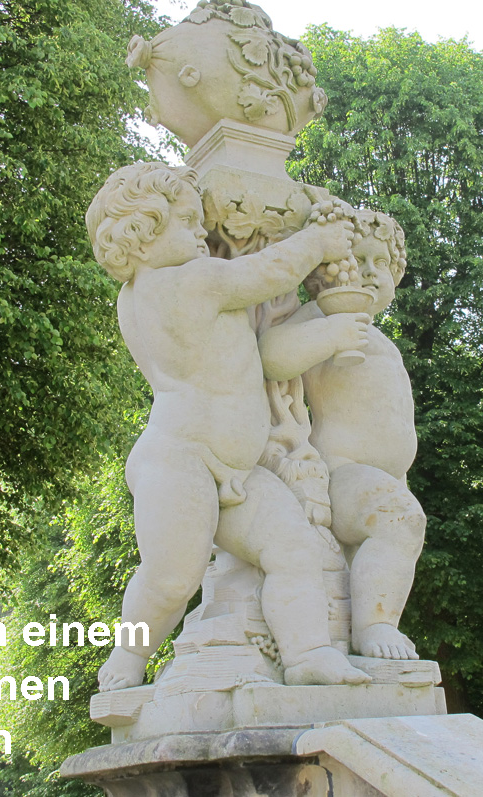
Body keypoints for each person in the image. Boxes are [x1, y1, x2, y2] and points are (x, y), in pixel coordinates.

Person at [86, 162, 371, 690]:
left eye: (202, 222)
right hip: (181, 459)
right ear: (140, 236)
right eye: (187, 222)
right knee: (171, 578)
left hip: (238, 468)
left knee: (294, 549)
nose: (201, 234)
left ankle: (307, 653)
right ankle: (127, 658)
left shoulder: (158, 288)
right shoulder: (187, 283)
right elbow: (265, 273)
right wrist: (319, 240)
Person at [259, 209, 424, 660]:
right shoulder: (321, 316)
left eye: (381, 263)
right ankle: (374, 629)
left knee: (392, 544)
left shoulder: (381, 338)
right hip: (341, 471)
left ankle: (362, 628)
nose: (369, 272)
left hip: (387, 476)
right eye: (357, 260)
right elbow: (271, 355)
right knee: (400, 521)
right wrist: (330, 334)